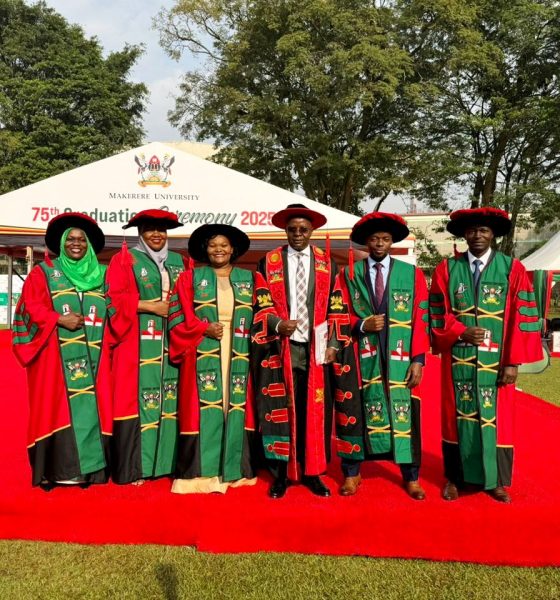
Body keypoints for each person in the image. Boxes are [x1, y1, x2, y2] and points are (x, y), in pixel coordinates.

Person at [430, 207, 542, 503]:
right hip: (458, 361)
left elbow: (523, 315)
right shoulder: (447, 269)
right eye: (471, 230)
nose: (477, 235)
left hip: (496, 363)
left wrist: (513, 362)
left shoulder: (511, 268)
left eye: (483, 230)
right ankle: (455, 478)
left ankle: (496, 481)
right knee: (456, 417)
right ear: (464, 234)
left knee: (498, 419)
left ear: (493, 234)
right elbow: (437, 313)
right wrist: (460, 332)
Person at [328, 212, 430, 499]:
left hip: (400, 356)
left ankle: (410, 476)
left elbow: (420, 319)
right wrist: (361, 324)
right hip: (361, 358)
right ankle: (352, 473)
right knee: (355, 413)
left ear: (392, 241)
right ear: (366, 242)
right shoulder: (349, 274)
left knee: (406, 415)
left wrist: (418, 360)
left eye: (385, 239)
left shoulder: (411, 275)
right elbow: (336, 314)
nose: (379, 244)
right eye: (374, 239)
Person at [13, 213, 111, 488]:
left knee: (96, 408)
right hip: (56, 356)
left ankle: (93, 470)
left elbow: (118, 308)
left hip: (98, 356)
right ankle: (60, 469)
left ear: (89, 244)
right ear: (62, 244)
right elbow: (29, 307)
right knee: (58, 407)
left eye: (81, 239)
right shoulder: (43, 273)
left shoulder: (104, 275)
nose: (76, 244)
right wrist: (58, 319)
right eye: (71, 240)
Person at [252, 203, 337, 498]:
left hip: (315, 349)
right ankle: (281, 474)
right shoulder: (269, 261)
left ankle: (312, 471)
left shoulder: (328, 263)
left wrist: (334, 344)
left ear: (312, 231)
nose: (298, 234)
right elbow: (260, 302)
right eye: (292, 229)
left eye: (303, 229)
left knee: (312, 410)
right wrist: (276, 324)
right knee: (281, 411)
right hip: (282, 348)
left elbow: (337, 307)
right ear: (284, 230)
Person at [168, 224, 258, 493]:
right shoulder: (189, 278)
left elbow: (264, 313)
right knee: (202, 408)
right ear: (205, 250)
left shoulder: (250, 278)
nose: (218, 250)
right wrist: (201, 328)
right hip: (202, 349)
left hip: (239, 350)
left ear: (233, 249)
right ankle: (201, 475)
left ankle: (234, 470)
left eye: (224, 245)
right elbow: (176, 318)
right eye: (212, 245)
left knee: (236, 405)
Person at [106, 209, 186, 484]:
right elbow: (111, 299)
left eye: (161, 230)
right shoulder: (124, 259)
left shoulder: (179, 261)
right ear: (140, 232)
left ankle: (168, 463)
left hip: (172, 343)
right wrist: (149, 306)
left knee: (172, 398)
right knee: (136, 400)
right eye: (150, 229)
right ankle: (137, 468)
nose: (156, 234)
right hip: (135, 343)